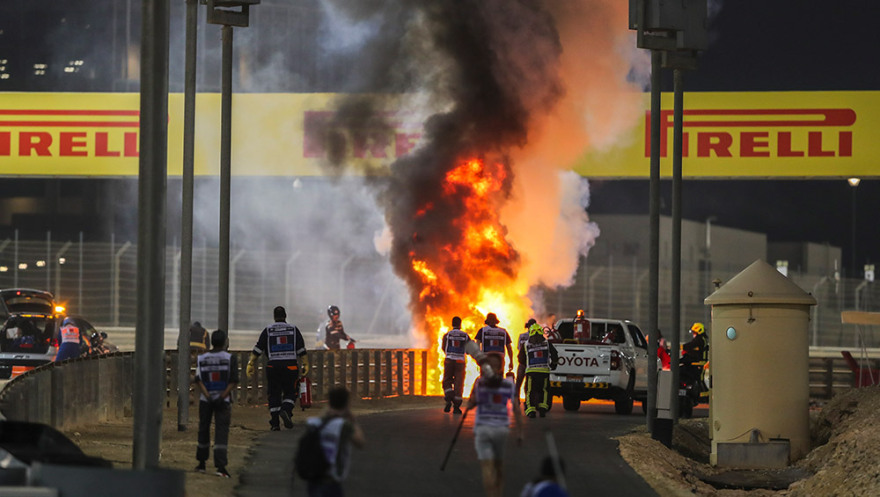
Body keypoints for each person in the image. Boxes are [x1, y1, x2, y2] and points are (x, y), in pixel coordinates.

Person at [467, 353, 522, 497]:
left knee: (487, 467)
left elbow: (470, 404)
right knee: (498, 467)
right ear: (500, 368)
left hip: (483, 429)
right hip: (500, 430)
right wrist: (520, 433)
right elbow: (516, 408)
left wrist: (472, 401)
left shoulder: (479, 383)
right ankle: (497, 494)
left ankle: (491, 494)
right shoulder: (509, 384)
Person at [247, 306, 309, 431]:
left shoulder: (268, 330)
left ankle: (275, 423)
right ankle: (286, 410)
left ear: (274, 317)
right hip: (290, 366)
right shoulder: (293, 329)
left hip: (273, 366)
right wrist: (305, 364)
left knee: (274, 393)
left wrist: (251, 363)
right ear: (285, 316)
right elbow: (301, 349)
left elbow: (258, 348)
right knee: (291, 392)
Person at [304, 386, 365, 497]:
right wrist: (352, 419)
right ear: (346, 404)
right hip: (330, 481)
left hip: (313, 479)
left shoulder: (314, 423)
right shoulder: (343, 425)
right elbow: (360, 442)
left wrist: (326, 410)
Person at [194, 329, 239, 478]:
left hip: (205, 401)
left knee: (203, 429)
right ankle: (220, 467)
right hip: (223, 401)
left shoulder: (202, 358)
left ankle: (201, 463)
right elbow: (233, 381)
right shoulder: (230, 358)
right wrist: (221, 396)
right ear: (225, 342)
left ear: (212, 342)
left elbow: (198, 380)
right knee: (221, 432)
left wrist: (208, 396)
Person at [519, 323, 559, 418]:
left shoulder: (526, 344)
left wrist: (526, 365)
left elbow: (521, 359)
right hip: (544, 372)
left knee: (529, 391)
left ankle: (530, 410)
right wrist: (553, 364)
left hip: (531, 372)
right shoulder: (547, 343)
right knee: (544, 390)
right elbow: (555, 354)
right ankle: (542, 409)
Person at [441, 316, 470, 414]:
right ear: (460, 324)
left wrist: (449, 355)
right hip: (460, 362)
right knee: (459, 383)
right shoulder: (465, 335)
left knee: (447, 380)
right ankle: (456, 407)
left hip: (449, 360)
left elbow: (443, 347)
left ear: (452, 324)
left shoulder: (447, 335)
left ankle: (449, 398)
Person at [681, 322, 708, 387]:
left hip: (697, 365)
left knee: (698, 379)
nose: (693, 334)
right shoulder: (701, 339)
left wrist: (680, 347)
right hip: (695, 364)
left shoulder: (699, 340)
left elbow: (690, 346)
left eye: (694, 332)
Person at [515, 319, 537, 402]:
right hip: (531, 363)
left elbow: (519, 348)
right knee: (528, 384)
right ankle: (528, 400)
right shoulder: (537, 337)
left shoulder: (522, 336)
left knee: (519, 383)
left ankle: (517, 399)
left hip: (523, 363)